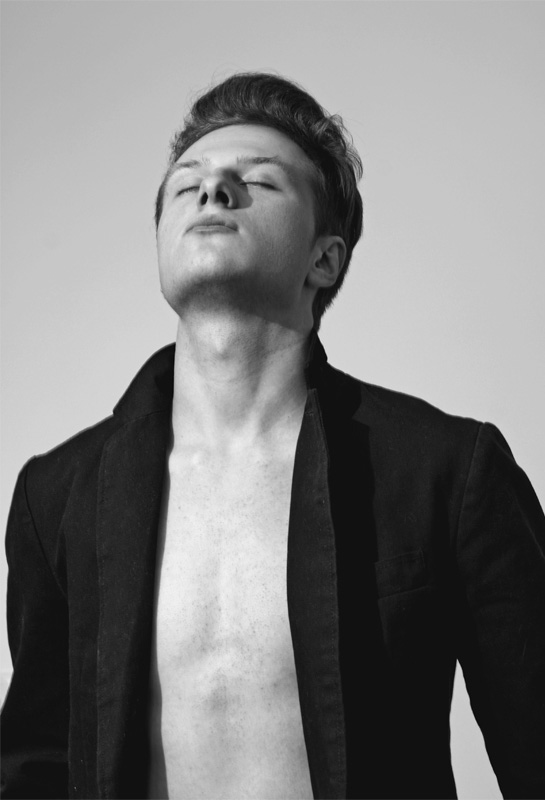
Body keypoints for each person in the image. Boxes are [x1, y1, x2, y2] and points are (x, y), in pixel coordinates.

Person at [1, 72, 544, 800]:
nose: (212, 190)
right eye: (186, 181)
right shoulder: (58, 495)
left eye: (257, 180)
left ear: (325, 258)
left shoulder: (446, 471)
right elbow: (33, 769)